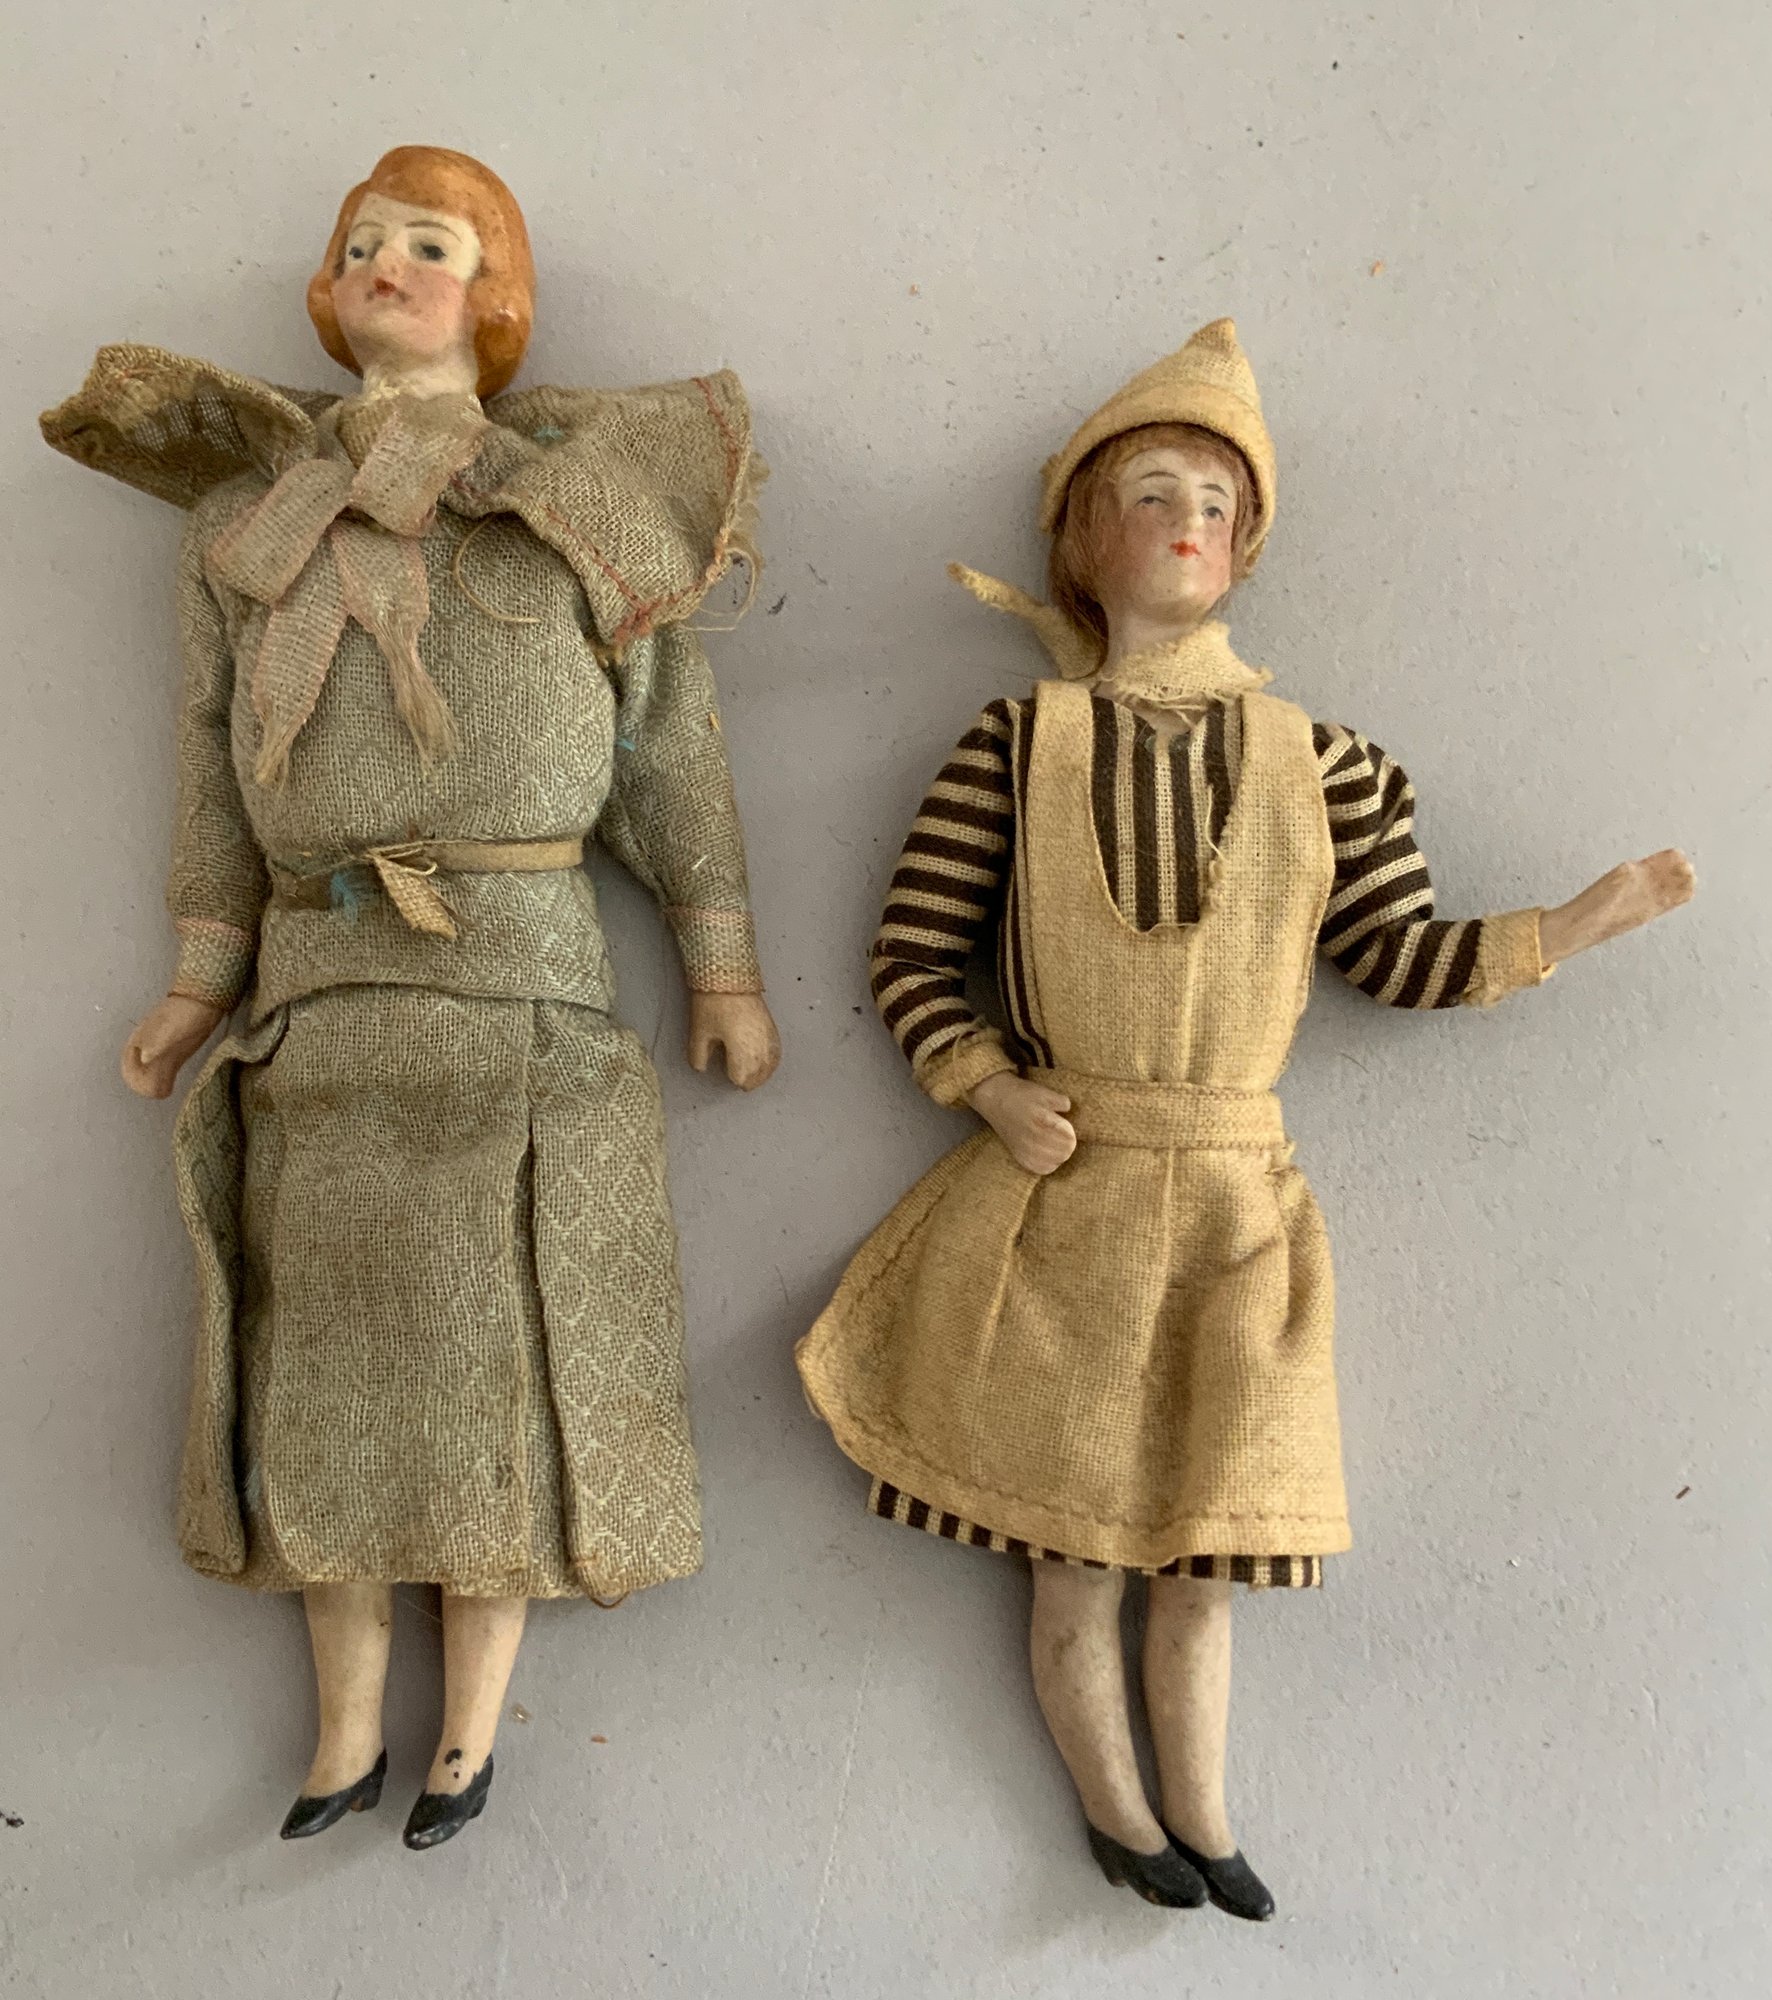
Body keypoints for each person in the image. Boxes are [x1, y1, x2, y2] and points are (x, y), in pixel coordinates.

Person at [796, 319, 1694, 1916]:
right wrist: (986, 1084)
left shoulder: (1328, 765)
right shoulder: (1017, 743)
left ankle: (1205, 1817)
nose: (1187, 522)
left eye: (1216, 501)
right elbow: (913, 953)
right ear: (1083, 542)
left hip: (1235, 1205)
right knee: (1073, 1549)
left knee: (1208, 1554)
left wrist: (1561, 929)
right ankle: (1121, 1817)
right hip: (1065, 1200)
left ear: (1250, 547)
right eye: (1150, 493)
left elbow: (1390, 956)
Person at [41, 145, 780, 1850]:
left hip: (526, 994)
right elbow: (211, 770)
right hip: (320, 1006)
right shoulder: (248, 531)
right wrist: (200, 974)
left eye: (432, 244)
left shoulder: (575, 507)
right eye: (362, 242)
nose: (388, 264)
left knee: (503, 1370)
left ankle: (467, 1736)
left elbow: (668, 746)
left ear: (495, 295)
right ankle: (341, 1730)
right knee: (326, 1379)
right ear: (327, 289)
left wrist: (723, 962)